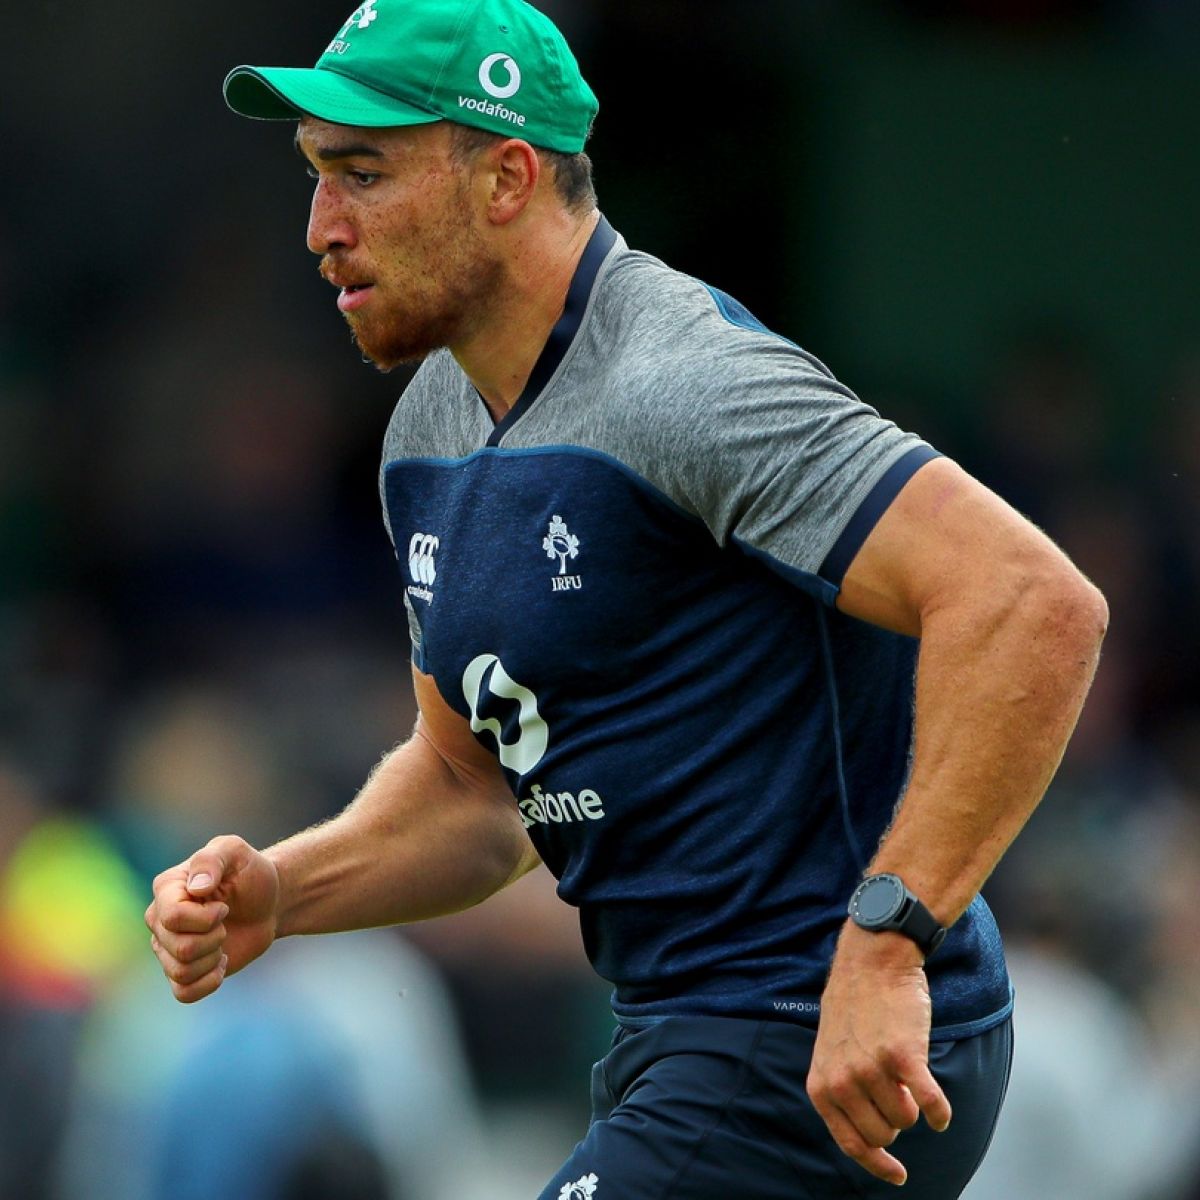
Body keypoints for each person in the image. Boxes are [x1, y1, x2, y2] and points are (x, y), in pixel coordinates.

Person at [145, 1, 1108, 1196]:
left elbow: (1031, 601)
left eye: (361, 174)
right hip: (682, 1037)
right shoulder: (428, 432)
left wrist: (890, 939)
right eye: (314, 177)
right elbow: (471, 791)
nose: (318, 228)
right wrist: (286, 893)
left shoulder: (684, 382)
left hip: (824, 1039)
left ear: (505, 177)